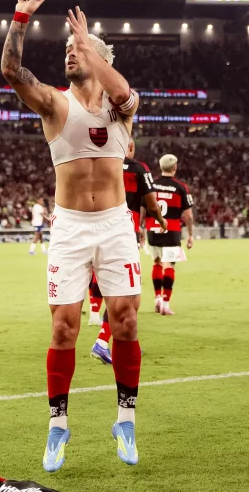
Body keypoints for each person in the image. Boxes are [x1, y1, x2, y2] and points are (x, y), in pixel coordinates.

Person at [1, 0, 163, 470]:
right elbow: (12, 72)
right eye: (68, 49)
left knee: (126, 321)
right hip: (70, 226)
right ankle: (57, 426)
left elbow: (126, 92)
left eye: (79, 50)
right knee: (64, 327)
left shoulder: (120, 109)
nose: (70, 52)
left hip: (115, 225)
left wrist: (91, 47)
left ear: (100, 58)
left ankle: (126, 419)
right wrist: (21, 17)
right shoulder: (53, 103)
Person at [90, 139, 164, 364]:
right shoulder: (138, 169)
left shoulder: (101, 164)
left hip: (97, 228)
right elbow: (151, 203)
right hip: (123, 231)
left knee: (112, 286)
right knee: (128, 291)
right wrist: (161, 220)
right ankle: (104, 342)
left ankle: (125, 342)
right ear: (130, 148)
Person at [146, 154, 194, 316]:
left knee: (157, 262)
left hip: (152, 229)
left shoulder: (151, 184)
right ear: (175, 167)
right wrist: (190, 235)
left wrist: (140, 227)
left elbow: (143, 207)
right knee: (169, 265)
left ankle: (157, 298)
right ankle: (165, 304)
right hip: (171, 231)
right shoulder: (181, 187)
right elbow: (188, 215)